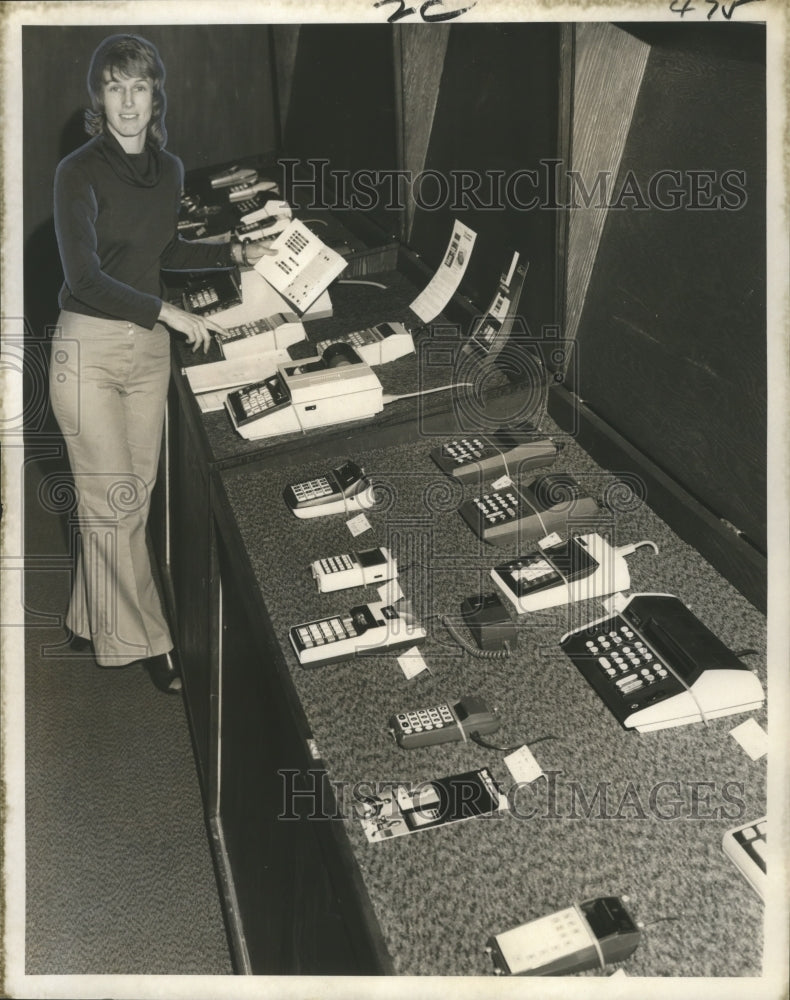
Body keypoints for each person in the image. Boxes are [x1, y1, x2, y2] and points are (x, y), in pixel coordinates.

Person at [49, 33, 274, 692]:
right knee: (114, 499)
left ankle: (88, 615)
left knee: (129, 500)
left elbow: (165, 253)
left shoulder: (170, 169)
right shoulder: (77, 174)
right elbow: (85, 277)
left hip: (146, 353)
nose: (126, 101)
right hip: (87, 348)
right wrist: (171, 314)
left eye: (138, 87)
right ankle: (151, 642)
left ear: (155, 97)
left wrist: (234, 256)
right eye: (114, 87)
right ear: (99, 98)